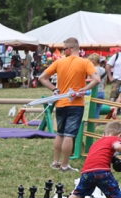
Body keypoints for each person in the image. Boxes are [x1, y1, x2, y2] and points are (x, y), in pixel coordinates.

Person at [38, 38, 99, 172]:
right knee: (69, 135)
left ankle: (55, 162)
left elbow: (42, 77)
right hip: (76, 104)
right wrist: (84, 89)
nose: (63, 51)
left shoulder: (59, 62)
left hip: (60, 103)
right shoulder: (85, 62)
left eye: (64, 49)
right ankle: (65, 166)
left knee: (60, 133)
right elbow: (97, 79)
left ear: (70, 49)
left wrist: (54, 89)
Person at [55, 122, 121, 198]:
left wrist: (113, 159)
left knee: (77, 193)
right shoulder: (114, 139)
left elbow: (99, 156)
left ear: (103, 134)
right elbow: (117, 146)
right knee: (117, 195)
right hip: (102, 172)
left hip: (87, 172)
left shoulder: (97, 143)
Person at [87, 54, 106, 119]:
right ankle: (93, 128)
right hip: (101, 92)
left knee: (88, 111)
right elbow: (105, 83)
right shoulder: (104, 70)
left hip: (93, 93)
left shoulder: (92, 69)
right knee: (96, 112)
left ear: (93, 61)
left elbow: (88, 81)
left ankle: (87, 126)